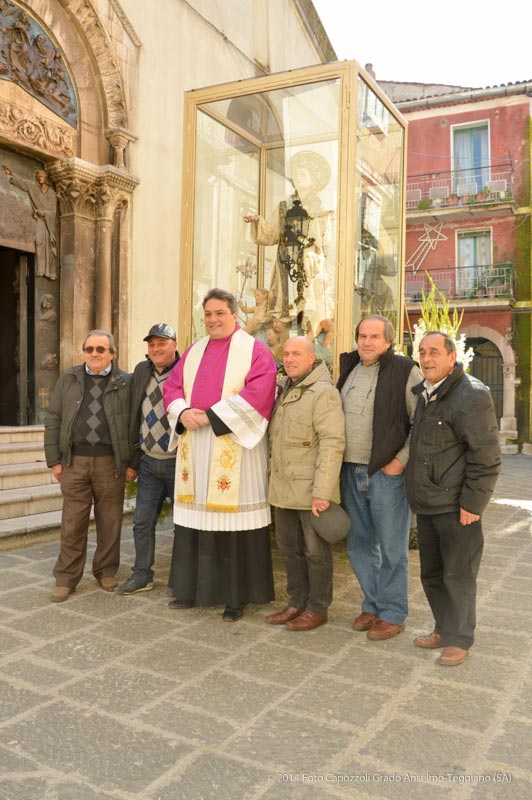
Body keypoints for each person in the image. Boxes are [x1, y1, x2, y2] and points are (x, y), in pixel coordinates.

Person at [163, 288, 278, 621]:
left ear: (234, 315)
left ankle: (235, 597)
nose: (213, 320)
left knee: (232, 526)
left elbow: (261, 391)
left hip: (233, 448)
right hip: (196, 448)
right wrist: (183, 412)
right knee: (195, 522)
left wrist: (211, 417)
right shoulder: (194, 351)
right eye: (208, 315)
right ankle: (190, 590)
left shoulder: (255, 351)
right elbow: (172, 386)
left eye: (219, 314)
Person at [405, 332, 501, 666]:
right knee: (431, 574)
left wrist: (473, 506)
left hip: (457, 506)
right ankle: (444, 629)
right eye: (422, 352)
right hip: (428, 502)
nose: (426, 358)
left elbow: (486, 457)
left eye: (434, 352)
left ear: (451, 357)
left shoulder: (471, 394)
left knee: (458, 575)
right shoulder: (426, 392)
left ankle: (460, 638)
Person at [338, 314, 423, 640]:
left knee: (391, 548)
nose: (367, 342)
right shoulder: (349, 368)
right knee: (359, 544)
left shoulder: (405, 369)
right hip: (350, 470)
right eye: (362, 336)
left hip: (386, 474)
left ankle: (393, 612)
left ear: (388, 341)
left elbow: (420, 421)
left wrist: (400, 461)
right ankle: (372, 604)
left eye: (375, 337)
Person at [44, 330, 132, 602]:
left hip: (110, 463)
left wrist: (131, 463)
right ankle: (66, 578)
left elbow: (134, 424)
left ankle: (106, 571)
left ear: (112, 354)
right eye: (90, 348)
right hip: (75, 462)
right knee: (72, 523)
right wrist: (54, 460)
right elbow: (53, 419)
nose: (94, 354)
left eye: (101, 350)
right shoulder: (69, 379)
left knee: (110, 521)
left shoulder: (125, 382)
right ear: (84, 351)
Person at [266, 337, 345, 630]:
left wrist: (323, 491)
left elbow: (332, 443)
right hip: (285, 488)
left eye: (296, 353)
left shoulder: (323, 392)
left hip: (311, 490)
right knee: (289, 548)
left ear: (312, 358)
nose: (289, 359)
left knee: (316, 552)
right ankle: (296, 602)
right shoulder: (287, 388)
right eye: (285, 354)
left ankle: (318, 608)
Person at [115, 324, 180, 595]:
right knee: (142, 521)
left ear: (174, 345)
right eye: (152, 344)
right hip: (149, 462)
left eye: (162, 343)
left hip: (179, 462)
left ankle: (182, 578)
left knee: (184, 525)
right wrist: (132, 460)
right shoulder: (141, 371)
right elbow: (131, 414)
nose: (156, 349)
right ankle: (142, 574)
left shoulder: (186, 370)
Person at [244, 150, 333, 334]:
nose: (298, 177)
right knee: (282, 306)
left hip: (308, 263)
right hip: (284, 261)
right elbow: (270, 235)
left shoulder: (320, 207)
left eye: (303, 174)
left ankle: (308, 333)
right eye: (297, 174)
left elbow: (323, 239)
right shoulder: (284, 206)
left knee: (307, 305)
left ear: (314, 179)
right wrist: (258, 222)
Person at [2, 165, 57, 279]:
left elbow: (53, 211)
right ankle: (40, 269)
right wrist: (11, 175)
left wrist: (44, 213)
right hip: (38, 220)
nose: (39, 178)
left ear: (46, 177)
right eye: (38, 176)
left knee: (48, 246)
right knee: (38, 242)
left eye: (42, 176)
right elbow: (23, 183)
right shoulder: (33, 187)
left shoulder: (51, 193)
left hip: (47, 221)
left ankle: (48, 271)